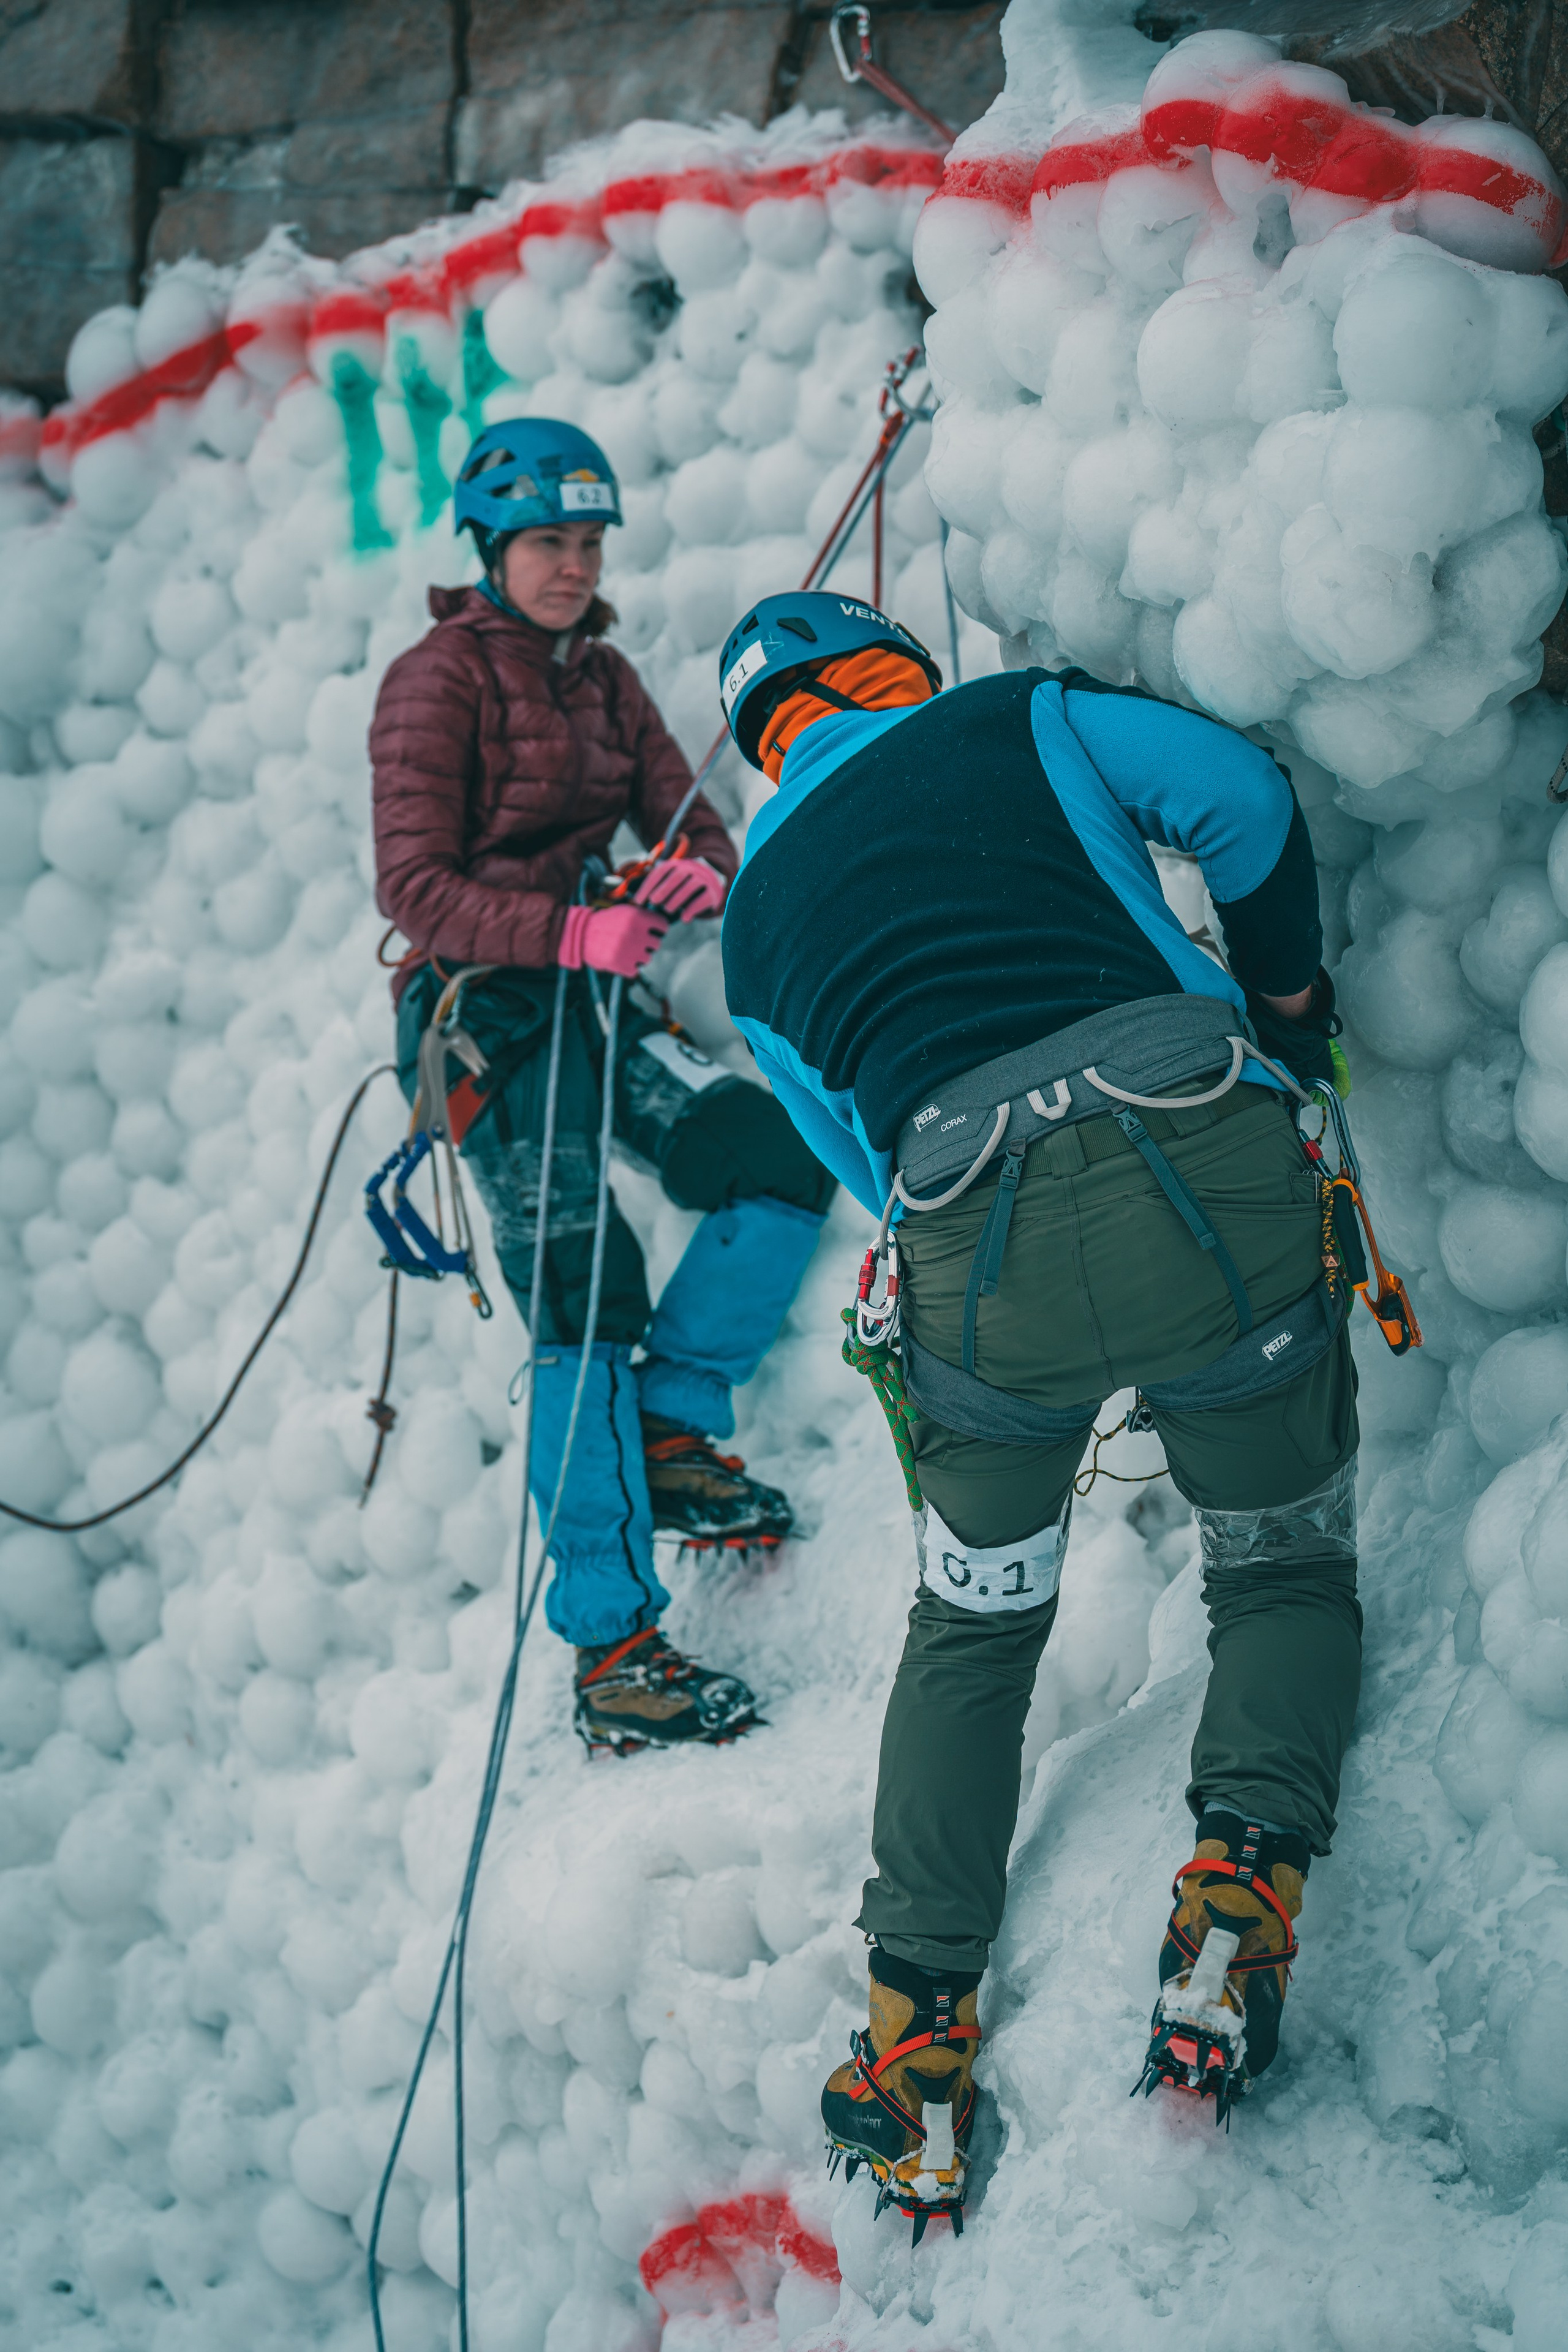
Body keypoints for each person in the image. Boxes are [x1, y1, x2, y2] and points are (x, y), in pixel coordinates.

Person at [714, 590, 1359, 2234]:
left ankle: (913, 2045)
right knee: (1281, 1565)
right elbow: (1240, 799)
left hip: (972, 1275)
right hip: (1207, 1172)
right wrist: (1285, 1002)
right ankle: (1235, 1899)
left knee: (973, 1628)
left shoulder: (754, 924)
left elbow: (858, 1156)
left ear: (768, 738)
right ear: (889, 670)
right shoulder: (1016, 718)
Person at [368, 424, 835, 1754]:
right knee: (583, 1296)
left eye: (587, 542)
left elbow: (696, 824)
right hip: (482, 1021)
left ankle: (673, 1431)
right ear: (490, 549)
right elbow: (412, 886)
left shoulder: (605, 678)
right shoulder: (434, 680)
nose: (572, 565)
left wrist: (694, 872)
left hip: (596, 1002)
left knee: (771, 1157)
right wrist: (574, 930)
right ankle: (613, 1649)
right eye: (546, 543)